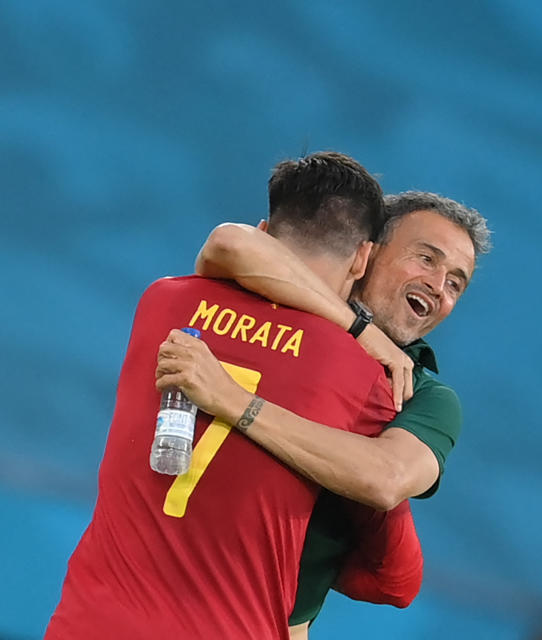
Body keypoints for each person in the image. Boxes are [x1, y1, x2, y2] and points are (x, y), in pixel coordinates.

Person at [46, 152, 424, 640]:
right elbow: (397, 578)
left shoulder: (163, 301)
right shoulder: (363, 375)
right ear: (362, 258)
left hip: (89, 625)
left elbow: (227, 246)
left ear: (265, 231)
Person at [159, 190, 492, 635]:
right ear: (367, 252)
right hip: (144, 592)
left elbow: (385, 477)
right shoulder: (280, 306)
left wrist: (232, 400)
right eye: (426, 259)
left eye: (456, 283)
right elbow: (228, 244)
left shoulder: (424, 396)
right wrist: (358, 329)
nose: (438, 286)